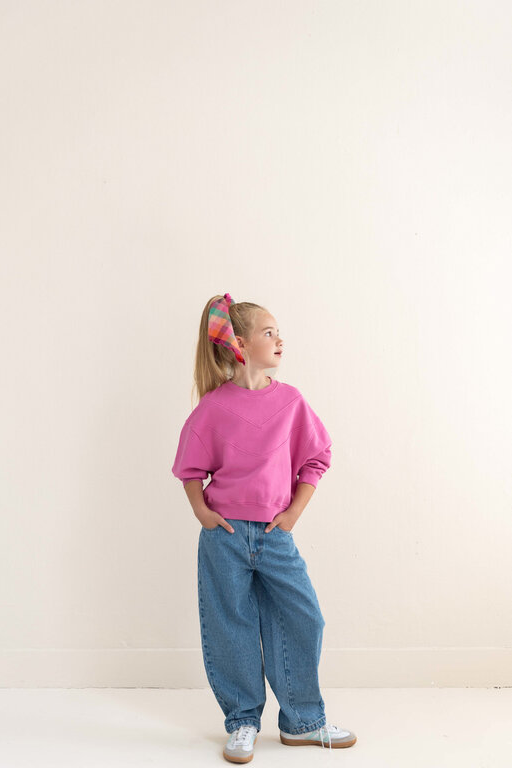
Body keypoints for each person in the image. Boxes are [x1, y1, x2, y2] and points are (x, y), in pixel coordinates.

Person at [171, 293, 357, 762]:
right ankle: (242, 722)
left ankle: (303, 722)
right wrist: (201, 512)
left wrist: (293, 514)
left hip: (275, 536)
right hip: (225, 537)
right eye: (269, 333)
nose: (280, 341)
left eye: (279, 333)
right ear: (240, 344)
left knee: (304, 616)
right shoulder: (214, 407)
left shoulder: (290, 402)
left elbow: (317, 458)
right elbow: (190, 469)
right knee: (230, 626)